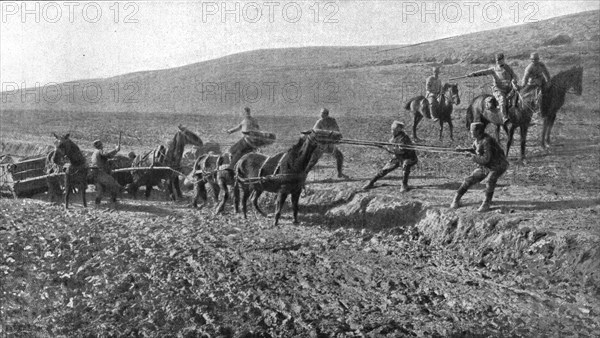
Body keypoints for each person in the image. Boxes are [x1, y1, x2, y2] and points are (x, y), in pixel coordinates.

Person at [451, 122, 509, 212]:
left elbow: (486, 159)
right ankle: (456, 200)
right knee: (469, 179)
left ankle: (486, 203)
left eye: (472, 131)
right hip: (486, 166)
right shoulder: (477, 140)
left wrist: (472, 157)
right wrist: (463, 150)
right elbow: (475, 149)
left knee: (490, 180)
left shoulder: (487, 141)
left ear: (478, 131)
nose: (470, 133)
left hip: (498, 165)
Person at [362, 121, 418, 192]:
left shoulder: (404, 138)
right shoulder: (393, 138)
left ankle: (404, 184)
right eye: (392, 130)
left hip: (409, 157)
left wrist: (387, 148)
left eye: (394, 130)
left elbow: (401, 151)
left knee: (406, 165)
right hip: (398, 157)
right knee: (385, 169)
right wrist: (384, 146)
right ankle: (371, 182)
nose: (392, 131)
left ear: (399, 130)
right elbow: (392, 148)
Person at [467, 53, 519, 126]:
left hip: (509, 89)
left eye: (500, 60)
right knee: (502, 101)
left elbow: (514, 76)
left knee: (520, 97)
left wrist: (514, 80)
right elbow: (483, 72)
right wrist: (473, 74)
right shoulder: (494, 69)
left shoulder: (508, 68)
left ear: (503, 60)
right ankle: (504, 117)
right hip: (499, 90)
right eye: (497, 60)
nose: (498, 62)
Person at [306, 108, 349, 179]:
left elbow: (337, 131)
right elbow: (314, 132)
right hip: (321, 145)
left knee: (339, 156)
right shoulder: (319, 122)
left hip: (330, 145)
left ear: (327, 114)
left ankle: (340, 173)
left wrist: (336, 136)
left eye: (323, 113)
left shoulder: (332, 121)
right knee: (313, 161)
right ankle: (304, 175)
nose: (322, 115)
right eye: (321, 113)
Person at [90, 139, 123, 204]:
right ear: (100, 145)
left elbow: (102, 159)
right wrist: (116, 150)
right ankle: (113, 201)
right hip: (101, 173)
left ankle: (97, 203)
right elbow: (107, 155)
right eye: (101, 144)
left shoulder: (94, 153)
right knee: (115, 185)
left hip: (95, 174)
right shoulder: (100, 151)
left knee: (100, 189)